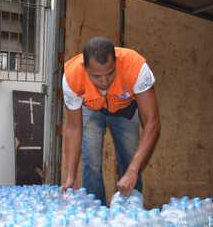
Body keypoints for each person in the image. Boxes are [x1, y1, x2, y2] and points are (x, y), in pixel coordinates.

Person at [62, 37, 161, 205]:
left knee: (131, 159)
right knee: (91, 161)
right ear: (84, 69)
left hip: (125, 110)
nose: (104, 81)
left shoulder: (135, 66)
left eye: (110, 73)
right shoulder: (72, 76)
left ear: (116, 62)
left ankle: (130, 210)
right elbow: (73, 128)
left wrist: (133, 170)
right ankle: (95, 213)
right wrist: (70, 176)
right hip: (91, 108)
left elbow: (152, 122)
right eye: (96, 76)